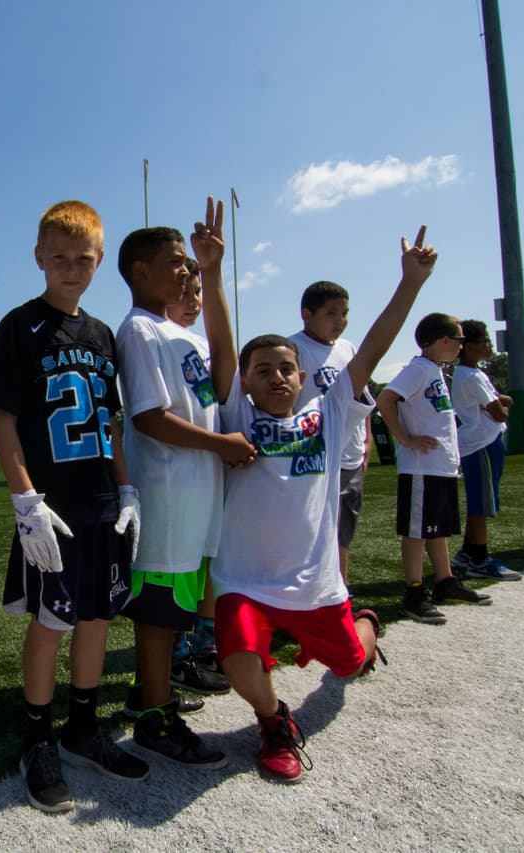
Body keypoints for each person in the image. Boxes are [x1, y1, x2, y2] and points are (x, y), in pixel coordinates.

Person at [197, 196, 431, 783]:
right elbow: (222, 340)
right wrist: (210, 272)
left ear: (304, 376)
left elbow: (373, 345)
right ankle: (275, 719)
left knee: (350, 665)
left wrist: (410, 285)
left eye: (285, 369)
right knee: (239, 662)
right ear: (243, 383)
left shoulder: (326, 418)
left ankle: (366, 623)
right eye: (261, 371)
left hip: (315, 582)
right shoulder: (238, 417)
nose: (275, 377)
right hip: (245, 579)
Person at [0, 199, 149, 814]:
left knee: (99, 616)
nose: (71, 268)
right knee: (52, 621)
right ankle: (37, 737)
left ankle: (82, 727)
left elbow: (110, 420)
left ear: (99, 261)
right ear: (39, 259)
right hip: (51, 505)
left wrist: (126, 487)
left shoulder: (102, 334)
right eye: (59, 259)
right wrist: (24, 497)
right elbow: (2, 418)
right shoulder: (19, 326)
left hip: (102, 499)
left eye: (83, 259)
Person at [115, 231, 255, 769]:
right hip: (167, 497)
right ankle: (155, 716)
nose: (184, 271)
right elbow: (148, 417)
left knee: (173, 613)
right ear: (138, 271)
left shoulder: (180, 333)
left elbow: (224, 376)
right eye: (174, 263)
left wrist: (214, 273)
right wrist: (222, 444)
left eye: (187, 265)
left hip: (198, 496)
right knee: (156, 614)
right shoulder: (139, 330)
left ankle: (147, 693)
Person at [376, 313, 492, 625]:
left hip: (440, 468)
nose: (461, 346)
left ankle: (445, 581)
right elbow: (385, 399)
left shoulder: (435, 371)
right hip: (421, 468)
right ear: (442, 340)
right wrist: (405, 438)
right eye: (458, 339)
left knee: (436, 528)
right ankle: (414, 593)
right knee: (417, 532)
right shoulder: (418, 369)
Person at [289, 281, 372, 587]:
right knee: (307, 536)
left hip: (348, 458)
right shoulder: (293, 349)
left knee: (341, 536)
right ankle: (301, 599)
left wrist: (366, 442)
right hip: (312, 459)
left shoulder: (348, 349)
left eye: (345, 313)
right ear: (306, 314)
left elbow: (361, 398)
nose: (340, 321)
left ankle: (340, 595)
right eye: (331, 313)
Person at [449, 320, 521, 580]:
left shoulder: (476, 374)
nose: (490, 345)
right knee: (481, 504)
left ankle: (468, 552)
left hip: (486, 442)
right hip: (480, 444)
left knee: (484, 500)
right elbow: (500, 412)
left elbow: (504, 401)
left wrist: (500, 404)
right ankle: (479, 558)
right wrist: (499, 406)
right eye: (485, 341)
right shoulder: (469, 376)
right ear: (468, 347)